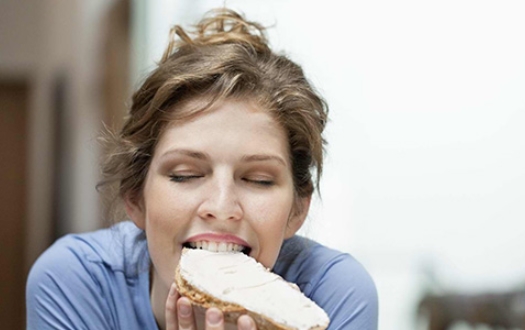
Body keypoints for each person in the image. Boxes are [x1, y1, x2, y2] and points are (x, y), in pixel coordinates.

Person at [26, 8, 378, 330]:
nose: (222, 207)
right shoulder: (75, 282)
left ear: (297, 209)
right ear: (135, 198)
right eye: (185, 175)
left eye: (258, 180)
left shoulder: (334, 294)